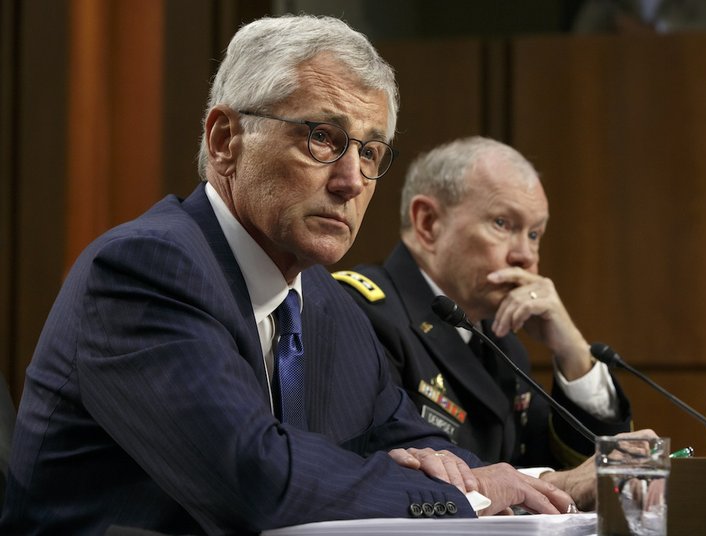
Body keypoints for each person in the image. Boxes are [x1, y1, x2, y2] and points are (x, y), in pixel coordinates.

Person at [0, 16, 579, 535]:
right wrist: (459, 495)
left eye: (371, 152)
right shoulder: (145, 270)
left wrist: (530, 487)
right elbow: (254, 481)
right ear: (226, 140)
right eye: (322, 138)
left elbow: (412, 440)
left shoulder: (330, 307)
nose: (352, 180)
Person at [337, 136, 633, 473]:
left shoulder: (501, 341)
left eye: (534, 234)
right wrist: (548, 484)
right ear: (428, 223)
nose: (524, 256)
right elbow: (393, 466)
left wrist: (574, 351)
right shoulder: (363, 314)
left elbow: (577, 468)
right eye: (503, 224)